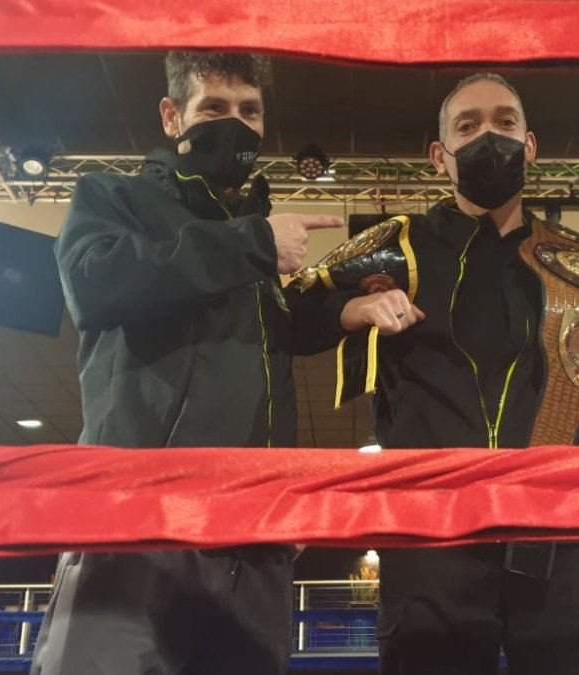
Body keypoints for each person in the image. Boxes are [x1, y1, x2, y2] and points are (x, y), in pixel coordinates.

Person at [321, 73, 579, 675]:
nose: (488, 137)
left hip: (560, 531)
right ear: (439, 157)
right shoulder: (397, 248)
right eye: (467, 127)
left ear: (529, 145)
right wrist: (349, 307)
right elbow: (289, 309)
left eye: (503, 122)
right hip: (431, 531)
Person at [30, 52, 347, 675]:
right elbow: (93, 285)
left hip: (255, 533)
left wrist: (341, 314)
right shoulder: (113, 196)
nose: (235, 123)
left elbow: (260, 331)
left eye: (250, 111)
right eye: (215, 107)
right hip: (138, 520)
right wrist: (252, 244)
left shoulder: (258, 234)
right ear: (172, 115)